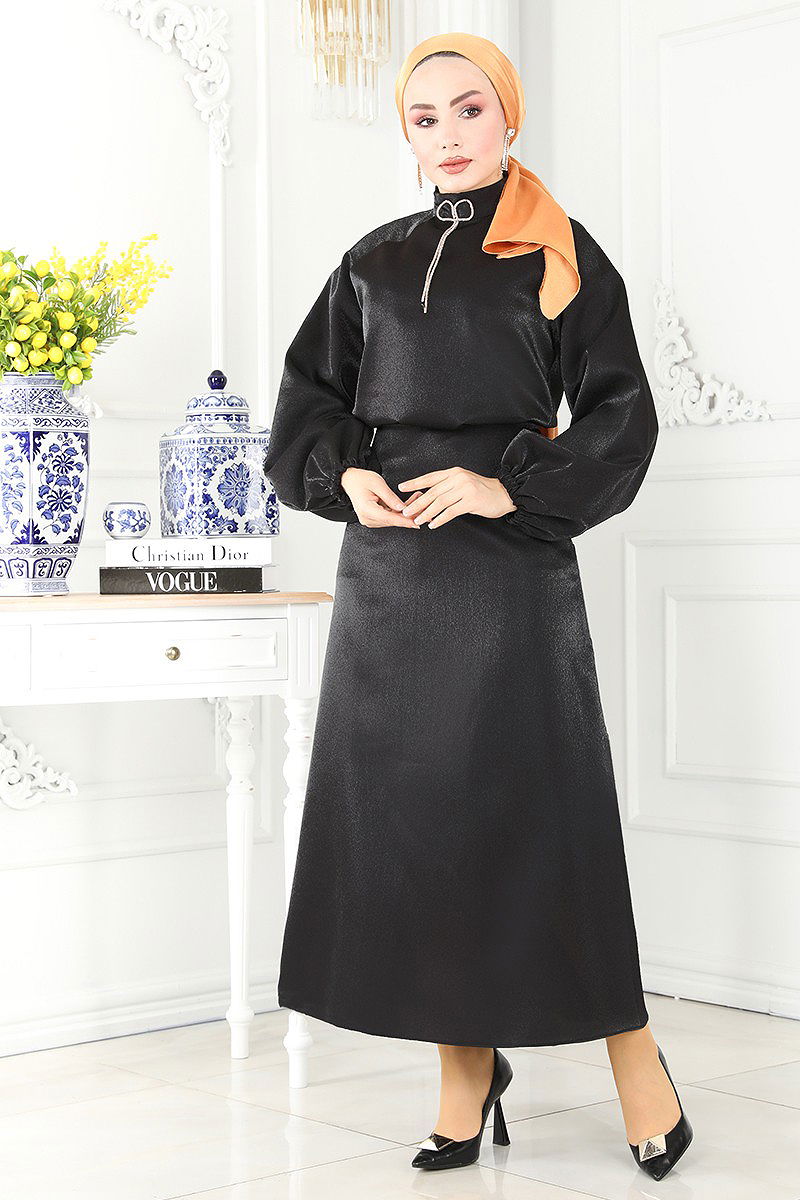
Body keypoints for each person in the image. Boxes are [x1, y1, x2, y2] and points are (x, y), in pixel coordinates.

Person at [263, 31, 693, 1181]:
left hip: (506, 572)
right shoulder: (370, 262)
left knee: (542, 822)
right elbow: (306, 402)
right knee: (418, 830)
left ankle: (635, 1059)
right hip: (389, 578)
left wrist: (510, 488)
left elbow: (620, 413)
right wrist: (345, 476)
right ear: (405, 136)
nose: (447, 135)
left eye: (467, 110)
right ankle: (464, 1074)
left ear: (508, 118)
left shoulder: (557, 254)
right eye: (424, 118)